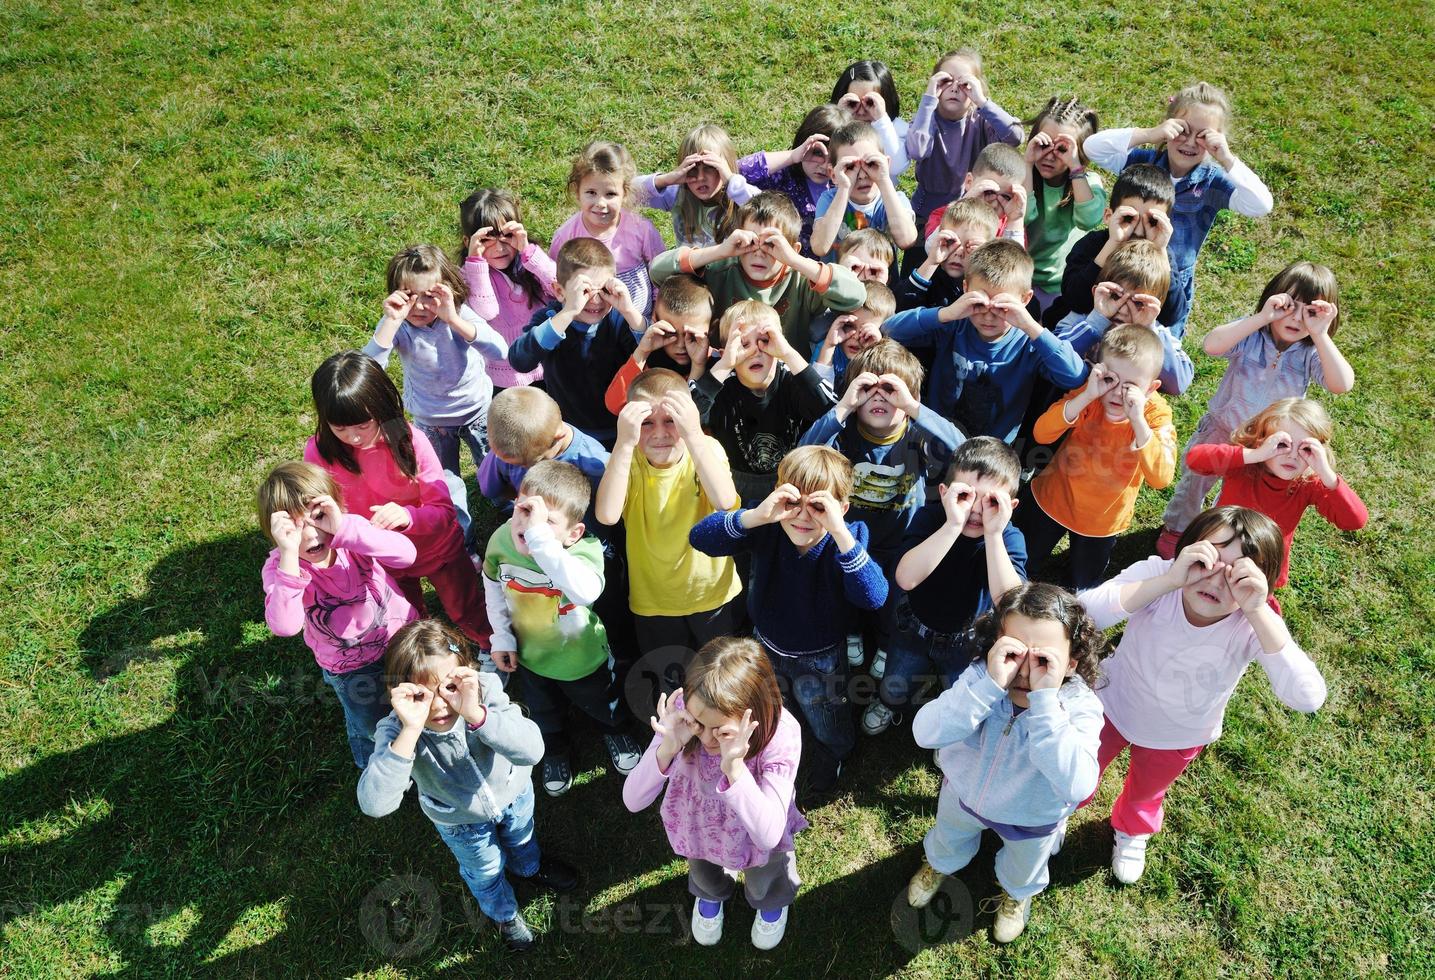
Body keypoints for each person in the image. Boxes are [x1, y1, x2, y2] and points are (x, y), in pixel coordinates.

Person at [1076, 506, 1326, 883]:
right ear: (1186, 551)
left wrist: (1257, 609)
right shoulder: (1159, 576)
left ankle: (1133, 828)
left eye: (1239, 574)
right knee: (1077, 771)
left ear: (1263, 583)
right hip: (1111, 705)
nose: (1216, 581)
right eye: (1207, 560)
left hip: (1179, 732)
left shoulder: (1253, 619)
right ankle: (1060, 810)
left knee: (1148, 790)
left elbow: (1307, 697)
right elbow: (1084, 614)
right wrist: (1169, 580)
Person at [358, 620, 578, 952]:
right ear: (401, 693)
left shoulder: (485, 691)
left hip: (514, 794)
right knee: (485, 870)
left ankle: (529, 868)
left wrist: (477, 714)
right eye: (421, 694)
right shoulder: (396, 730)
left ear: (468, 672)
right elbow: (375, 804)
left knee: (522, 837)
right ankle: (503, 913)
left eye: (450, 687)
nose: (439, 705)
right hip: (461, 821)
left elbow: (533, 750)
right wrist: (409, 732)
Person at [906, 583, 1107, 943]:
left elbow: (1079, 784)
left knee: (1024, 866)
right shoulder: (980, 679)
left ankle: (1016, 893)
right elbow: (925, 732)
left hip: (1033, 817)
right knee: (949, 838)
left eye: (1044, 661)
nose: (1026, 672)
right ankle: (939, 864)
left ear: (1071, 663)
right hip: (964, 796)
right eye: (1013, 653)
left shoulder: (1080, 706)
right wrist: (987, 689)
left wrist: (1046, 704)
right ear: (994, 647)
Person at [690, 445, 888, 796]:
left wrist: (840, 534)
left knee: (826, 716)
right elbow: (700, 538)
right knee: (772, 708)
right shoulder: (769, 524)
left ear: (841, 509)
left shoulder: (850, 536)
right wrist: (755, 516)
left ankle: (835, 752)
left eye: (819, 506)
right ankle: (776, 748)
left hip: (821, 656)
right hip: (766, 645)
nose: (803, 516)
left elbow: (874, 596)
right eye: (794, 501)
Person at [1157, 261, 1354, 557]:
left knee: (1242, 498)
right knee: (1194, 483)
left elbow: (1342, 384)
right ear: (1274, 298)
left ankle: (1217, 535)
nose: (1297, 318)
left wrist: (1321, 335)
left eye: (1310, 312)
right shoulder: (1252, 336)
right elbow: (1212, 345)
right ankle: (1177, 528)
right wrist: (1263, 317)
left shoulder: (1310, 354)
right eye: (1290, 305)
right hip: (1222, 430)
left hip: (1270, 446)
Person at [623, 637, 806, 949]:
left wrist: (734, 767)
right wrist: (668, 747)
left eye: (721, 731)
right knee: (704, 870)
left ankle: (771, 900)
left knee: (766, 875)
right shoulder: (683, 715)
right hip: (698, 824)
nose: (706, 738)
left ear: (753, 714)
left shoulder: (781, 736)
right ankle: (710, 893)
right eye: (698, 724)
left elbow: (769, 835)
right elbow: (633, 800)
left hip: (754, 826)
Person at [305, 351, 490, 646]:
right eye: (339, 428)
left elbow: (443, 512)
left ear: (381, 407)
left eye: (363, 426)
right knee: (407, 620)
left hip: (437, 550)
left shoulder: (410, 441)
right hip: (380, 559)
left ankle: (489, 645)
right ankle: (428, 659)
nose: (353, 437)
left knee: (465, 608)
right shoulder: (319, 452)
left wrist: (408, 516)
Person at [482, 460, 641, 796]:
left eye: (545, 521)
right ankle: (554, 748)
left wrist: (541, 541)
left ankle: (615, 730)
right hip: (530, 656)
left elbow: (585, 592)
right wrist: (502, 636)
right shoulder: (500, 542)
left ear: (574, 532)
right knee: (543, 709)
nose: (527, 524)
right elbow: (493, 588)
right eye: (523, 511)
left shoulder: (583, 552)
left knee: (603, 701)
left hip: (583, 659)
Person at [1082, 82, 1274, 337]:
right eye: (1183, 130)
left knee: (1157, 349)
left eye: (1204, 136)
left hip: (1168, 283)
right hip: (1120, 269)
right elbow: (1092, 147)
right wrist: (1150, 134)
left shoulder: (1211, 182)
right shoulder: (1141, 161)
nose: (1191, 142)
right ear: (1168, 125)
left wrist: (1227, 158)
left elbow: (1261, 205)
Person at [259, 462, 417, 768]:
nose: (310, 535)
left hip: (400, 640)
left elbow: (406, 555)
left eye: (318, 517)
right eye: (293, 528)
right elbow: (285, 626)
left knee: (415, 695)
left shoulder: (352, 534)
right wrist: (289, 556)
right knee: (371, 721)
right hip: (351, 667)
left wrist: (344, 528)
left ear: (336, 508)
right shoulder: (280, 568)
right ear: (276, 535)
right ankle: (371, 760)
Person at [864, 437, 1026, 735]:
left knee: (958, 687)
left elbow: (1010, 606)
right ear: (944, 492)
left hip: (967, 638)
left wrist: (993, 534)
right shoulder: (932, 517)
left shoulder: (1008, 539)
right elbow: (905, 578)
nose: (976, 510)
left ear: (1010, 507)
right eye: (966, 496)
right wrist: (952, 525)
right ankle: (889, 702)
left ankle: (952, 728)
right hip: (912, 626)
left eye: (991, 501)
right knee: (897, 678)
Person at [595, 369, 742, 673]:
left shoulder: (706, 449)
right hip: (654, 600)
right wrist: (623, 444)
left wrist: (694, 434)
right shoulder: (627, 458)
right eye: (646, 423)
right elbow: (607, 514)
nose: (659, 433)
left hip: (711, 593)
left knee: (721, 673)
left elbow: (725, 502)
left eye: (671, 421)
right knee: (670, 673)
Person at [1019, 325, 1177, 589]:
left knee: (1082, 583)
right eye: (1111, 380)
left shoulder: (1155, 415)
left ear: (1152, 388)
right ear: (1098, 371)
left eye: (1131, 387)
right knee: (1024, 558)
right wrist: (1087, 395)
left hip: (1103, 519)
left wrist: (1138, 420)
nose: (1117, 393)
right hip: (1052, 498)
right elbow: (1041, 433)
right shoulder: (1090, 393)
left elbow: (1161, 478)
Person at [362, 244, 508, 484]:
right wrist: (391, 322)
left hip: (477, 412)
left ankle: (505, 506)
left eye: (429, 296)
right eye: (409, 296)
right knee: (442, 482)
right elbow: (367, 371)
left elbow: (500, 351)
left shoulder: (460, 313)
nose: (419, 306)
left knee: (495, 473)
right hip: (431, 420)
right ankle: (453, 518)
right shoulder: (397, 324)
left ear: (447, 292)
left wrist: (452, 319)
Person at [1185, 397, 1367, 589]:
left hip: (1260, 566)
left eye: (1305, 449)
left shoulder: (1308, 484)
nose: (1293, 455)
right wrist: (1254, 455)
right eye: (1282, 444)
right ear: (1261, 440)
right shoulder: (1244, 465)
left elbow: (1355, 521)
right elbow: (1195, 459)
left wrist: (1327, 475)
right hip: (1217, 552)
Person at [649, 190, 865, 352]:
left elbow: (856, 296)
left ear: (793, 249)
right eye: (751, 242)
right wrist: (720, 251)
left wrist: (795, 261)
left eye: (772, 245)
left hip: (784, 379)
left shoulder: (801, 279)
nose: (759, 253)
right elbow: (658, 271)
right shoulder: (723, 268)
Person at [507, 238, 647, 447]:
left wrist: (629, 311)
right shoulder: (551, 319)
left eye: (603, 291)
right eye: (584, 291)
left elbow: (652, 356)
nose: (596, 300)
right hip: (569, 432)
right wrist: (569, 312)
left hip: (622, 428)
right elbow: (520, 360)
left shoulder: (619, 318)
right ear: (559, 291)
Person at [693, 301, 836, 503]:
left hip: (791, 484)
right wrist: (724, 364)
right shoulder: (723, 386)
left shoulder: (792, 380)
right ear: (726, 351)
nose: (755, 351)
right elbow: (688, 417)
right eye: (743, 344)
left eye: (765, 341)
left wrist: (789, 354)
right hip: (732, 484)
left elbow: (830, 412)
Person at [550, 140, 666, 317]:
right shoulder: (566, 236)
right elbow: (555, 279)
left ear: (625, 194)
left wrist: (657, 314)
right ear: (577, 192)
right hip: (589, 326)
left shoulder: (642, 230)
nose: (601, 203)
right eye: (591, 193)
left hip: (637, 323)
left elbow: (660, 274)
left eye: (610, 194)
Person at [458, 187, 559, 389]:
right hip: (506, 374)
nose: (499, 248)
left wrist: (527, 250)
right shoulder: (469, 274)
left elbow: (560, 286)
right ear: (468, 242)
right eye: (487, 240)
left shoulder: (530, 261)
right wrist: (476, 262)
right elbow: (486, 311)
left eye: (506, 236)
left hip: (547, 360)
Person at [1021, 97, 1107, 311]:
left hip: (1060, 283)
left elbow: (1089, 221)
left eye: (1062, 149)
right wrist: (1027, 162)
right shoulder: (1020, 174)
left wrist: (1075, 168)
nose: (1049, 155)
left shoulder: (1088, 183)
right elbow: (1022, 215)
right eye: (1044, 144)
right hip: (1020, 278)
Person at [810, 121, 919, 258]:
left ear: (886, 164)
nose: (861, 175)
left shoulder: (895, 199)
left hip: (879, 279)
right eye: (850, 167)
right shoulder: (830, 200)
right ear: (833, 174)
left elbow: (907, 240)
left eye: (871, 163)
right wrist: (844, 187)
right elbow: (820, 247)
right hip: (838, 279)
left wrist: (884, 180)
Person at [637, 122, 756, 247]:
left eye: (710, 167)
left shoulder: (740, 196)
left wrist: (731, 180)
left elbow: (766, 212)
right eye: (692, 168)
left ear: (725, 167)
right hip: (690, 265)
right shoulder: (677, 194)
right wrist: (667, 179)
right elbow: (626, 193)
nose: (700, 177)